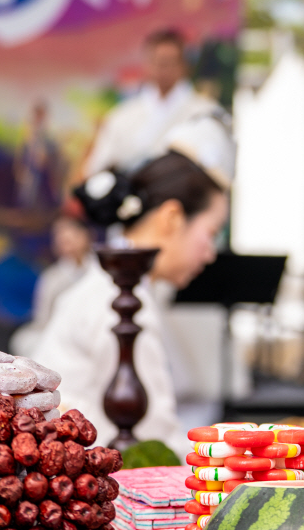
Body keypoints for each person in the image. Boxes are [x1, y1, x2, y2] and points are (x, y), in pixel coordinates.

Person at [32, 132, 229, 451]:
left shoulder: (108, 286)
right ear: (172, 218)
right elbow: (152, 438)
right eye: (210, 233)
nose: (210, 253)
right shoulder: (121, 299)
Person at [81, 28, 232, 178]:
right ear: (146, 64)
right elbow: (97, 169)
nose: (163, 68)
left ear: (185, 66)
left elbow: (220, 169)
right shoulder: (122, 116)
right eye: (157, 61)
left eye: (170, 62)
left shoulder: (207, 112)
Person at [9, 215, 95, 358]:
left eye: (70, 231)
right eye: (58, 234)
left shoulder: (102, 272)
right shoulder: (52, 278)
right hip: (61, 335)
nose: (63, 237)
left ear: (87, 235)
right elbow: (42, 320)